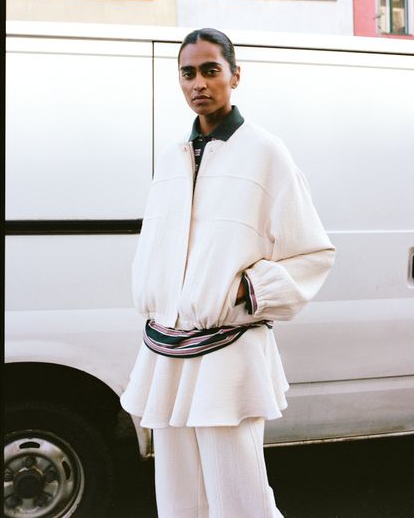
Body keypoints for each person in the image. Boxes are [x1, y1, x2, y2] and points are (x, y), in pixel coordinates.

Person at [120, 28, 337, 517]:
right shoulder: (172, 156)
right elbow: (158, 241)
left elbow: (312, 252)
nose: (199, 82)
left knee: (237, 492)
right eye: (188, 72)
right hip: (167, 344)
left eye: (211, 70)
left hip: (228, 348)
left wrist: (245, 292)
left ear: (235, 76)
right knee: (177, 493)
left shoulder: (265, 151)